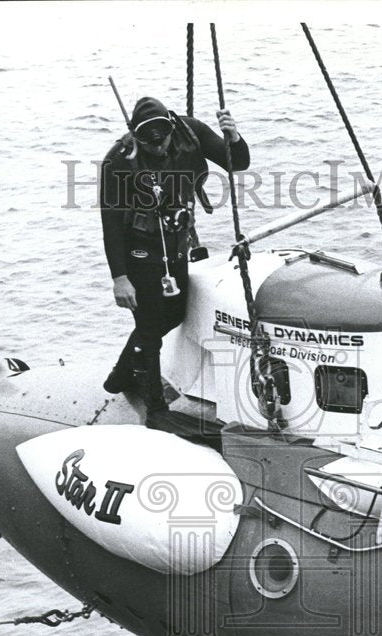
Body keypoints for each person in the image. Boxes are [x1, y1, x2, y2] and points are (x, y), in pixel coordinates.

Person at [100, 96, 250, 417]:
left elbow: (238, 163)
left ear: (170, 127)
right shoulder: (118, 161)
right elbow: (110, 223)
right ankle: (155, 405)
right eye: (149, 144)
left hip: (176, 245)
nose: (158, 148)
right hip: (140, 250)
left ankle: (121, 374)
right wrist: (120, 278)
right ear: (135, 136)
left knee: (174, 315)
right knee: (150, 324)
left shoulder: (189, 133)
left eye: (163, 140)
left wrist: (233, 137)